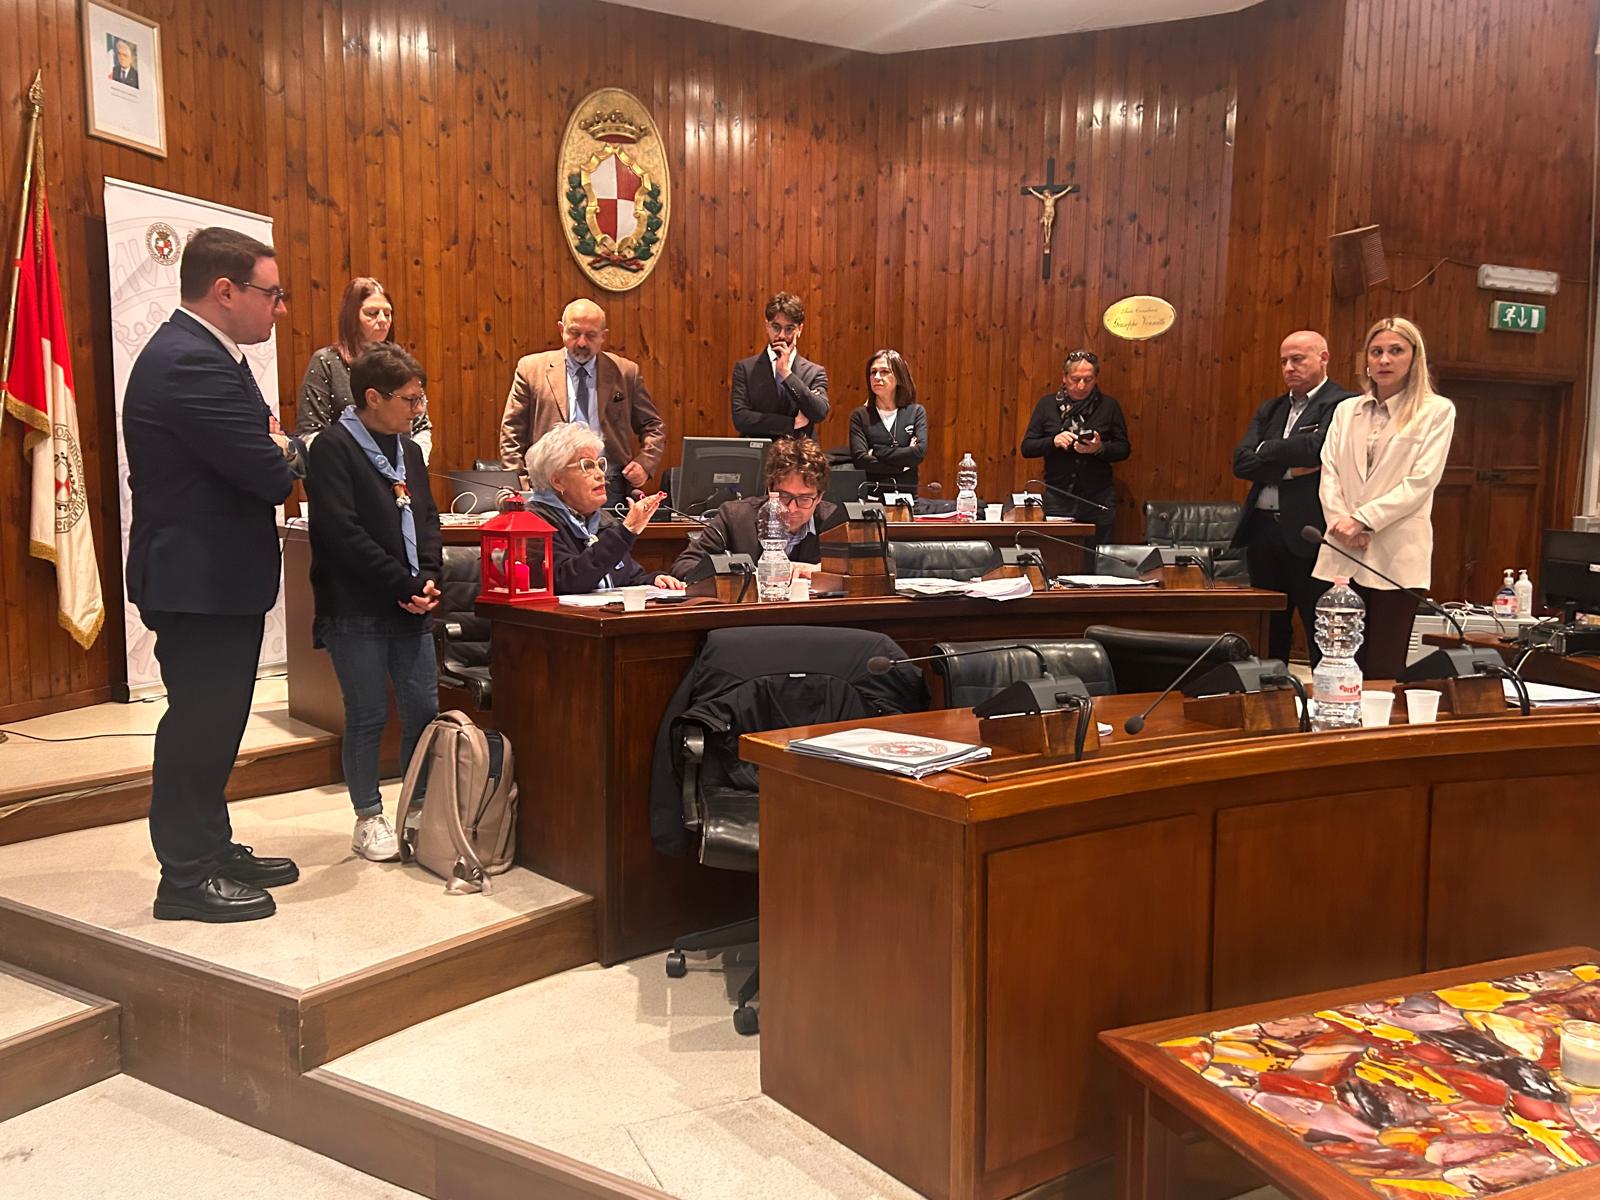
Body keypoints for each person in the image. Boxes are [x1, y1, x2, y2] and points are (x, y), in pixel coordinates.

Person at [123, 227, 303, 923]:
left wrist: (275, 445)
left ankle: (211, 843)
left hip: (216, 576)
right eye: (272, 293)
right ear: (225, 291)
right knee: (199, 724)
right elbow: (268, 469)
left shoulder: (210, 356)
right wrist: (279, 451)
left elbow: (270, 445)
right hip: (195, 581)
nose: (279, 308)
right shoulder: (186, 362)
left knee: (219, 720)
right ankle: (185, 878)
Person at [306, 344, 442, 862]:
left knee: (423, 711)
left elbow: (426, 516)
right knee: (366, 714)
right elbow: (341, 533)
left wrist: (427, 577)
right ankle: (368, 815)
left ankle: (417, 806)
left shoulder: (408, 449)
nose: (417, 408)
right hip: (357, 605)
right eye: (409, 399)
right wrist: (400, 584)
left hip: (412, 601)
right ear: (372, 396)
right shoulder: (334, 448)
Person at [1314, 317, 1456, 679]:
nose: (1384, 360)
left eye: (1396, 351)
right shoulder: (1347, 410)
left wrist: (1363, 519)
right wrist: (1342, 524)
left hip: (1395, 551)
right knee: (1338, 662)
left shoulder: (1435, 411)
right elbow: (1329, 471)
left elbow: (1420, 481)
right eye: (1376, 352)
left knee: (1382, 665)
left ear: (1414, 358)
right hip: (1343, 547)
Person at [1230, 331, 1360, 665]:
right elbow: (1241, 461)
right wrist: (1287, 470)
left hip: (1308, 531)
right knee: (1267, 629)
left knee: (1318, 623)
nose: (1289, 368)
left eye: (1298, 359)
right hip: (1262, 532)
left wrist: (1267, 450)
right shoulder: (1271, 408)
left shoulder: (1341, 404)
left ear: (1323, 358)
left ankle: (1321, 699)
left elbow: (1315, 448)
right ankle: (1269, 697)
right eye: (1284, 361)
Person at [499, 298, 665, 507]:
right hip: (548, 486)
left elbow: (653, 426)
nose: (582, 343)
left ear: (603, 336)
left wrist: (645, 464)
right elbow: (511, 432)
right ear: (561, 330)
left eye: (591, 335)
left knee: (608, 540)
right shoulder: (531, 369)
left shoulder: (625, 372)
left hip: (607, 485)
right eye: (575, 333)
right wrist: (520, 483)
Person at [525, 423, 686, 594]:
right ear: (557, 481)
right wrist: (627, 530)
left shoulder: (603, 520)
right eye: (587, 466)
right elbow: (567, 581)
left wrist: (653, 580)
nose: (601, 474)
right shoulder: (534, 523)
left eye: (599, 464)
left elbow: (628, 579)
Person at [670, 436, 846, 583]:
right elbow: (685, 565)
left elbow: (864, 569)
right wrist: (735, 573)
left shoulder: (837, 523)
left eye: (804, 499)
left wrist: (818, 570)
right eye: (784, 496)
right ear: (770, 489)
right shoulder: (735, 517)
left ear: (820, 497)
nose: (792, 508)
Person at [297, 277, 432, 462]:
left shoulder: (402, 362)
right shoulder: (326, 361)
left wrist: (413, 464)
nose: (383, 320)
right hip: (345, 471)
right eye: (372, 313)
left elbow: (421, 427)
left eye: (388, 313)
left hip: (400, 470)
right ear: (352, 317)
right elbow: (310, 432)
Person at [1020, 349, 1131, 541]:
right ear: (1064, 377)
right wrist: (1053, 441)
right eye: (1075, 379)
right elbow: (1027, 447)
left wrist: (1099, 449)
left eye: (1088, 380)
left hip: (1098, 497)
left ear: (1096, 378)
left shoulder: (1108, 406)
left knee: (1098, 559)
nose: (1081, 386)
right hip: (1058, 496)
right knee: (1059, 555)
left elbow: (1124, 448)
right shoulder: (1047, 405)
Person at [730, 292, 830, 439]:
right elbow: (741, 418)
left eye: (789, 329)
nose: (782, 335)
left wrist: (786, 373)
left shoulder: (815, 372)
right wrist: (790, 424)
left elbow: (819, 413)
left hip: (800, 455)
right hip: (760, 455)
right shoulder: (745, 369)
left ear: (800, 330)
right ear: (767, 326)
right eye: (776, 327)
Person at [848, 349, 928, 492]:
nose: (877, 377)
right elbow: (861, 460)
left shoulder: (915, 412)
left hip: (907, 499)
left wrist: (877, 451)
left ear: (899, 376)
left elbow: (918, 453)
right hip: (873, 498)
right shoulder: (860, 416)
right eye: (873, 372)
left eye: (884, 371)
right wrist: (904, 464)